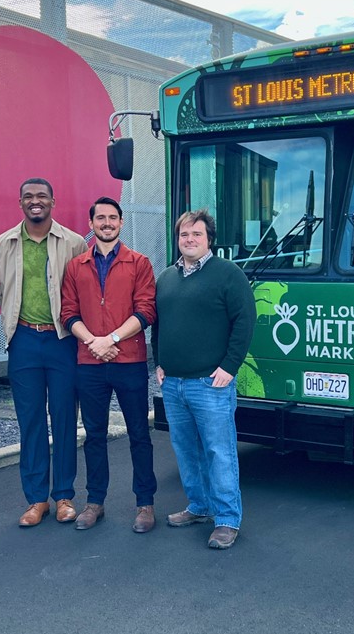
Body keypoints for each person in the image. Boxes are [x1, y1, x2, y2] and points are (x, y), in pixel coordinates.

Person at [153, 209, 255, 549]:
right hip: (174, 382)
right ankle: (199, 507)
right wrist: (160, 362)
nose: (190, 240)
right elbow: (160, 323)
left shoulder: (228, 274)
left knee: (219, 450)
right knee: (185, 450)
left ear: (209, 238)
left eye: (196, 234)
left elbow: (244, 321)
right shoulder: (166, 277)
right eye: (184, 235)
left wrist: (229, 366)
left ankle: (227, 519)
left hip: (211, 385)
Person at [0, 177, 86, 527]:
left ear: (52, 201)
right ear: (20, 203)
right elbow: (2, 287)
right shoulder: (3, 244)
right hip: (24, 342)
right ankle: (35, 500)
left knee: (63, 419)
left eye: (41, 196)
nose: (35, 202)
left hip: (62, 340)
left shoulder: (73, 243)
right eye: (28, 197)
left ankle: (63, 496)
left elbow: (81, 289)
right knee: (29, 422)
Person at [60, 197, 158, 533]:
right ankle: (94, 502)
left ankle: (145, 504)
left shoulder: (139, 262)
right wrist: (93, 342)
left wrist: (111, 340)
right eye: (100, 218)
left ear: (120, 223)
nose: (106, 223)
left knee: (139, 435)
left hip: (128, 361)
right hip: (89, 363)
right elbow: (68, 313)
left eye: (112, 218)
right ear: (90, 224)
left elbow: (146, 311)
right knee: (94, 436)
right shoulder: (76, 266)